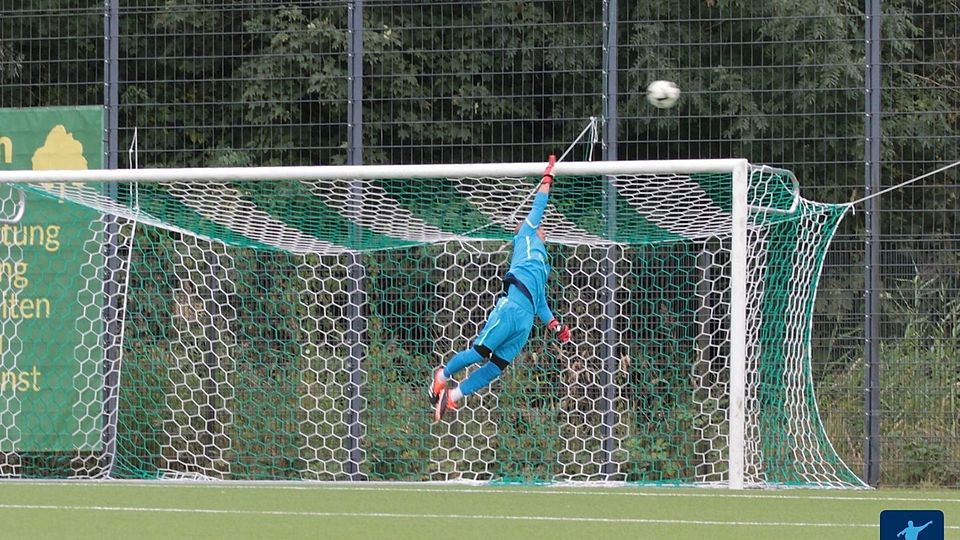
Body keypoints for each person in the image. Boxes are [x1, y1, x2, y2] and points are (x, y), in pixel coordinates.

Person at [429, 155, 571, 421]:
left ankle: (453, 396)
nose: (544, 229)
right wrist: (548, 178)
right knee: (479, 352)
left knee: (497, 367)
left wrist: (554, 325)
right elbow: (539, 206)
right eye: (541, 226)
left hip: (526, 321)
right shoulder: (525, 236)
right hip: (511, 309)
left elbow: (539, 301)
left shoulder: (543, 263)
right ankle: (443, 374)